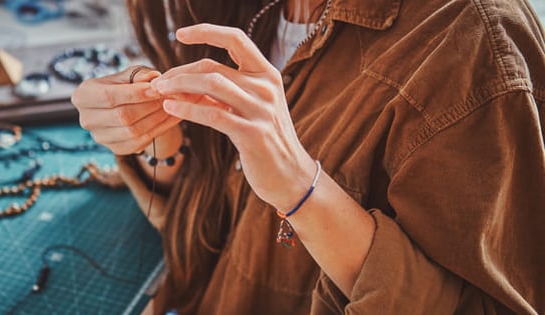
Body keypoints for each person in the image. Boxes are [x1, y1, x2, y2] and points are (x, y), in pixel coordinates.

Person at [71, 0, 545, 313]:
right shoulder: (254, 8)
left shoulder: (476, 46)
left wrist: (302, 189)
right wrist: (160, 144)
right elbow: (225, 228)